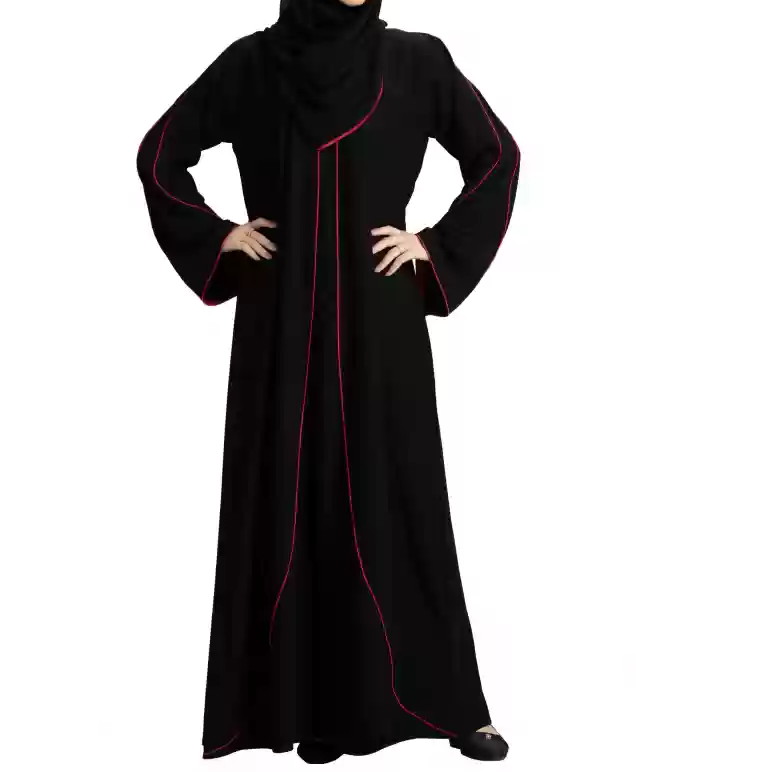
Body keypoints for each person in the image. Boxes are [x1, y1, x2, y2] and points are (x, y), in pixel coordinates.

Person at [136, 0, 520, 764]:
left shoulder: (416, 61)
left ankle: (450, 705)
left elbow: (497, 157)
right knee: (290, 502)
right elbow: (159, 156)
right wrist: (219, 237)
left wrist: (435, 248)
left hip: (380, 329)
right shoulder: (253, 64)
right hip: (280, 330)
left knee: (403, 501)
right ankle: (311, 713)